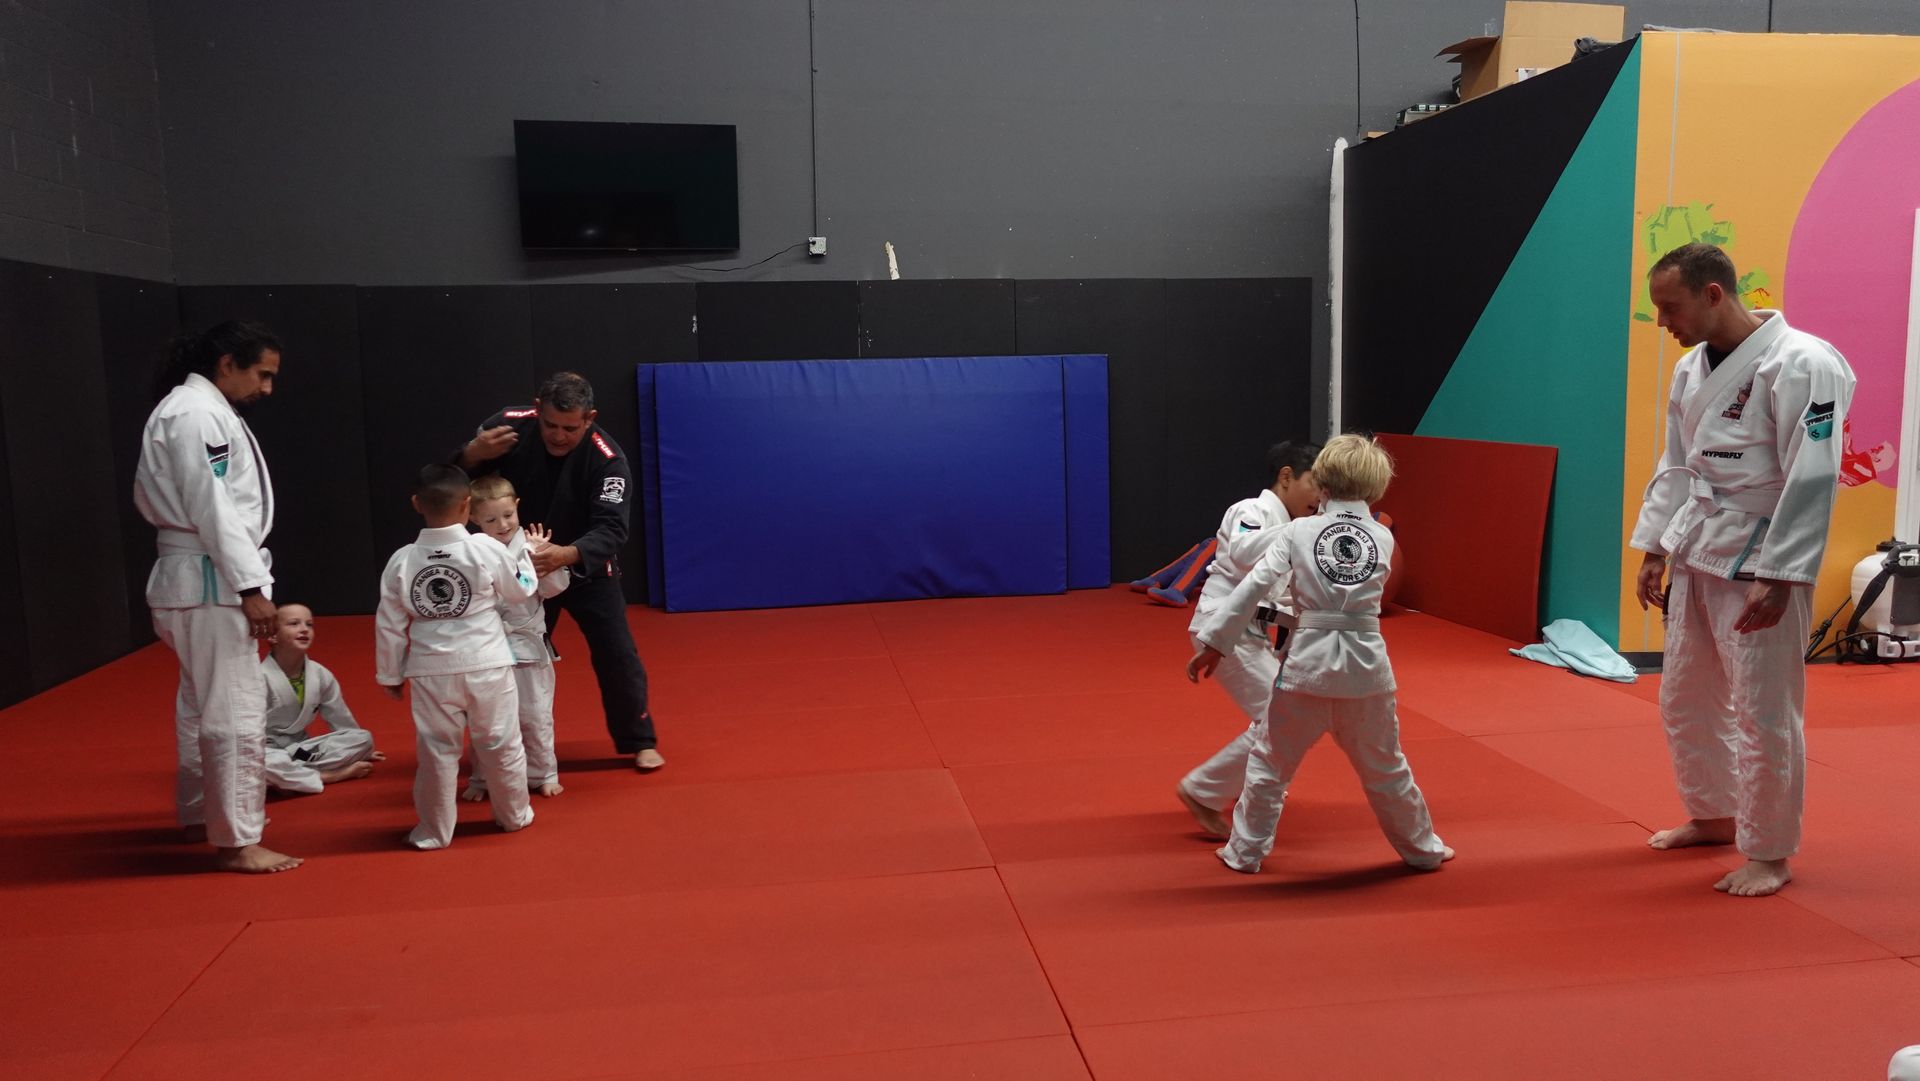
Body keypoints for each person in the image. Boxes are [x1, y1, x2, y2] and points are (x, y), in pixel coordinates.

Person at [1632, 242, 1856, 897]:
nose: (1661, 321)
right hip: (1699, 546)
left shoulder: (1803, 363)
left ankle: (1769, 850)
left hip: (1763, 555)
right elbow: (1678, 464)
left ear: (1712, 294)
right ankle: (1714, 812)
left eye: (1669, 306)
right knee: (1685, 698)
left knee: (1764, 710)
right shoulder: (1688, 371)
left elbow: (1813, 474)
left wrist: (1783, 573)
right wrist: (1655, 544)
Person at [1189, 434, 1452, 874]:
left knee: (1270, 766)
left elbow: (1253, 587)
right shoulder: (1383, 538)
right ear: (1376, 488)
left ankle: (1245, 852)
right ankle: (1422, 850)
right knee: (1387, 767)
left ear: (1323, 481)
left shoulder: (1297, 530)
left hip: (1307, 669)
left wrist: (1216, 642)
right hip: (1367, 669)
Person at [134, 320, 301, 874]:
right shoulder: (195, 413)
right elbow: (213, 507)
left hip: (196, 576)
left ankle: (198, 814)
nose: (268, 389)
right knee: (235, 709)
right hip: (211, 578)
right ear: (227, 363)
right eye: (263, 375)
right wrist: (251, 587)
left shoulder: (192, 409)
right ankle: (236, 840)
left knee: (198, 704)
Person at [455, 372, 663, 772]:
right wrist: (472, 453)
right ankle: (495, 749)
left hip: (585, 570)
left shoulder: (607, 458)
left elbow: (613, 529)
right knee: (502, 660)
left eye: (570, 427)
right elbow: (454, 483)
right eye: (550, 424)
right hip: (521, 570)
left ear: (590, 418)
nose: (558, 435)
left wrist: (566, 555)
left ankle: (639, 740)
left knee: (617, 655)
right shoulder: (507, 426)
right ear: (537, 409)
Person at [375, 464, 538, 850]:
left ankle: (433, 831)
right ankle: (513, 815)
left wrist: (390, 673)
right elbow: (520, 592)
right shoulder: (485, 547)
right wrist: (526, 559)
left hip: (431, 670)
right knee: (500, 741)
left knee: (437, 751)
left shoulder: (401, 560)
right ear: (468, 505)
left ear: (416, 504)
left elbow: (389, 623)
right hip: (487, 662)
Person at [1175, 440, 1323, 839]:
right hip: (1224, 629)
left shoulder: (1295, 530)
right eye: (1315, 483)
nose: (1321, 496)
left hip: (1253, 634)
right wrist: (1301, 529)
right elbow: (1242, 555)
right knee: (1285, 718)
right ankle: (1204, 791)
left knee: (1290, 717)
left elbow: (1288, 594)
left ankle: (1243, 782)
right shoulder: (1250, 511)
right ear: (1286, 475)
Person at [462, 475, 571, 801]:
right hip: (487, 647)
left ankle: (543, 772)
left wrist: (545, 561)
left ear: (517, 507)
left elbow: (555, 590)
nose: (503, 524)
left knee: (534, 715)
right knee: (486, 719)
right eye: (491, 519)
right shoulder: (470, 550)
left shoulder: (531, 545)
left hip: (527, 645)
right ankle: (483, 778)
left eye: (508, 515)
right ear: (473, 518)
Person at [261, 603, 382, 793]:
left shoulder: (320, 674)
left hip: (301, 749)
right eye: (294, 624)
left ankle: (287, 778)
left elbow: (339, 717)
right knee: (258, 763)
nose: (304, 629)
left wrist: (361, 751)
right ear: (272, 635)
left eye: (309, 625)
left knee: (363, 738)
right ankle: (328, 775)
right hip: (266, 749)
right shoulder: (258, 677)